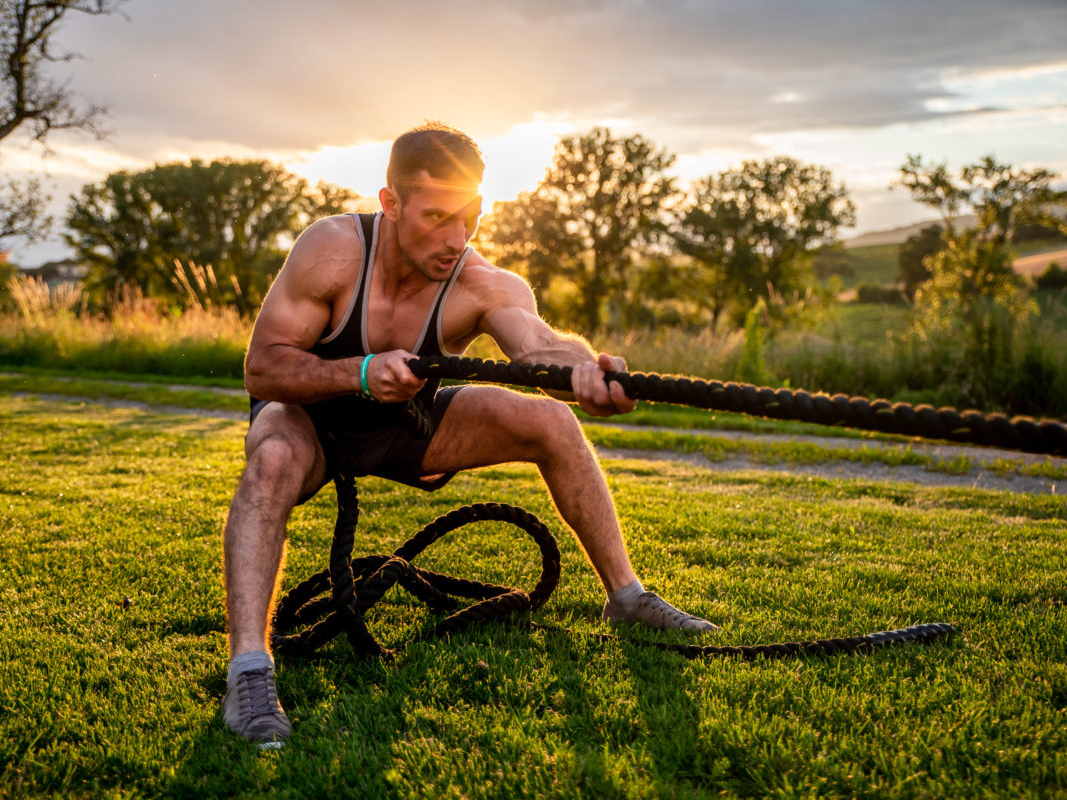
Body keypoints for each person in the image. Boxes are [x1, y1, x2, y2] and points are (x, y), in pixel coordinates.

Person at [221, 123, 717, 746]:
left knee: (551, 421)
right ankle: (249, 673)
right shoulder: (331, 252)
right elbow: (263, 366)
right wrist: (362, 372)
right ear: (391, 203)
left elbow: (541, 348)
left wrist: (586, 374)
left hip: (409, 426)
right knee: (268, 460)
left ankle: (627, 596)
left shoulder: (481, 283)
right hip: (311, 423)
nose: (457, 239)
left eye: (472, 218)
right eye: (436, 217)